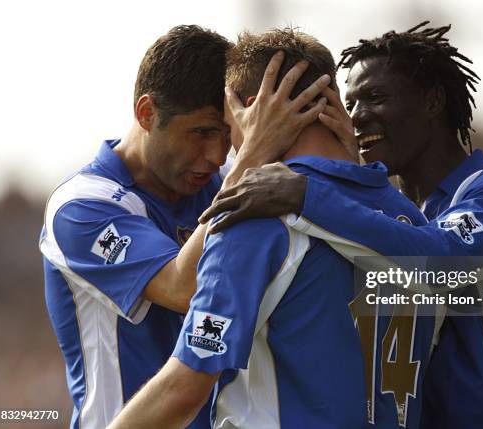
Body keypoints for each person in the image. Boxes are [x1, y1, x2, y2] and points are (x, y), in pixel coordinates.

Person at [201, 22, 483, 429]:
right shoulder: (388, 213)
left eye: (375, 98)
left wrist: (306, 194)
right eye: (349, 104)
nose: (358, 117)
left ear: (433, 101)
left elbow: (438, 261)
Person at [108, 28, 429, 429]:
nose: (228, 150)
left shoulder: (256, 213)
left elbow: (185, 386)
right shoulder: (408, 216)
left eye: (228, 127)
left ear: (255, 111)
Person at [39, 25, 331, 429]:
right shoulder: (80, 208)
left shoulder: (225, 180)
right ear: (147, 113)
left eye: (229, 134)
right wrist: (253, 153)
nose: (216, 155)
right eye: (202, 133)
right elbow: (185, 286)